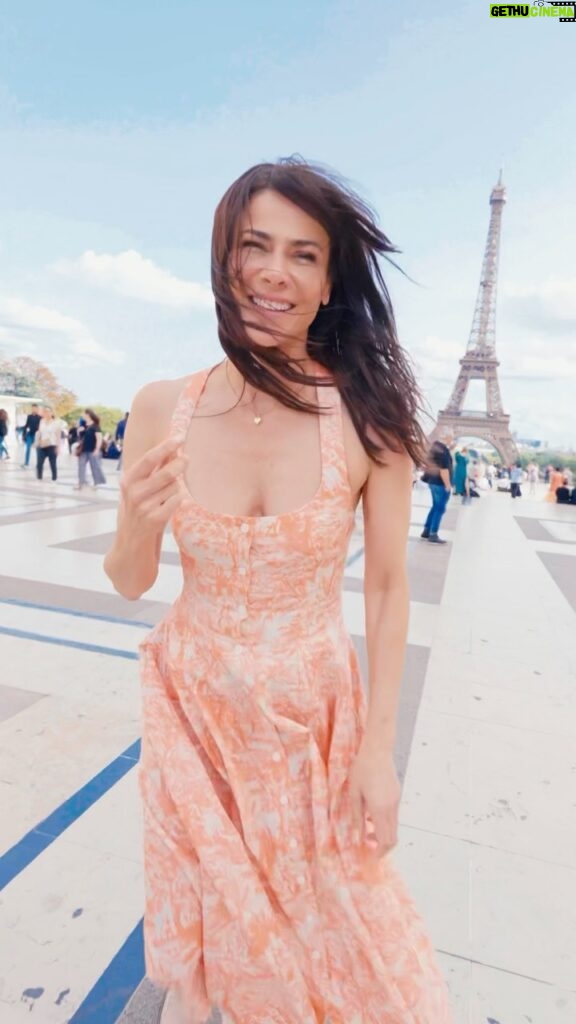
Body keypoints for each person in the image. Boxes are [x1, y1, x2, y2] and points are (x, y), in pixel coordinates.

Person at [104, 159, 453, 1024]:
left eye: (304, 254)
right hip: (192, 710)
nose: (273, 273)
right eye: (255, 246)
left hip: (313, 723)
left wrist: (378, 753)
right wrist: (139, 522)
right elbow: (129, 581)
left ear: (331, 282)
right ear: (225, 259)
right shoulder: (161, 407)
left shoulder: (368, 420)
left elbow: (385, 587)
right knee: (220, 947)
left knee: (339, 933)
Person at [421, 435, 453, 544]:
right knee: (440, 509)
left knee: (435, 507)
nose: (451, 439)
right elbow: (444, 469)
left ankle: (426, 530)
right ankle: (433, 534)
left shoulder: (435, 448)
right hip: (440, 484)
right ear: (446, 438)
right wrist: (448, 485)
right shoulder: (443, 451)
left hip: (432, 482)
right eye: (451, 437)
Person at [75, 409, 107, 489]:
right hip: (84, 450)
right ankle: (81, 483)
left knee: (95, 467)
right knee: (81, 466)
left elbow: (99, 438)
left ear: (88, 415)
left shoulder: (95, 426)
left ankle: (96, 483)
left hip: (92, 450)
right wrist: (79, 431)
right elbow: (81, 438)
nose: (83, 416)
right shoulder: (84, 425)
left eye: (84, 414)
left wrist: (97, 449)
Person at [35, 406, 60, 481]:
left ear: (52, 412)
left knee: (52, 464)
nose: (47, 413)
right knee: (39, 463)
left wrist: (58, 447)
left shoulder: (56, 423)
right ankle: (39, 478)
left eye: (48, 411)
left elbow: (58, 435)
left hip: (52, 445)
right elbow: (39, 432)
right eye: (45, 411)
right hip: (42, 445)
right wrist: (38, 442)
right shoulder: (41, 421)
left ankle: (54, 479)